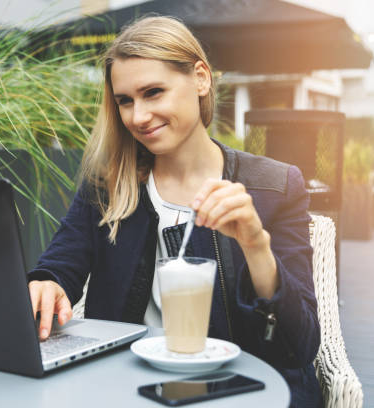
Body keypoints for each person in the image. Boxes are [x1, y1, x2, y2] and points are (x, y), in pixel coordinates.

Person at [27, 16, 322, 407]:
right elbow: (58, 267)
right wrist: (45, 284)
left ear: (201, 78)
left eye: (153, 92)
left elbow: (300, 345)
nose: (138, 116)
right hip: (126, 388)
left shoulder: (277, 186)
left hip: (238, 389)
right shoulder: (109, 184)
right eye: (125, 101)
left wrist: (256, 245)